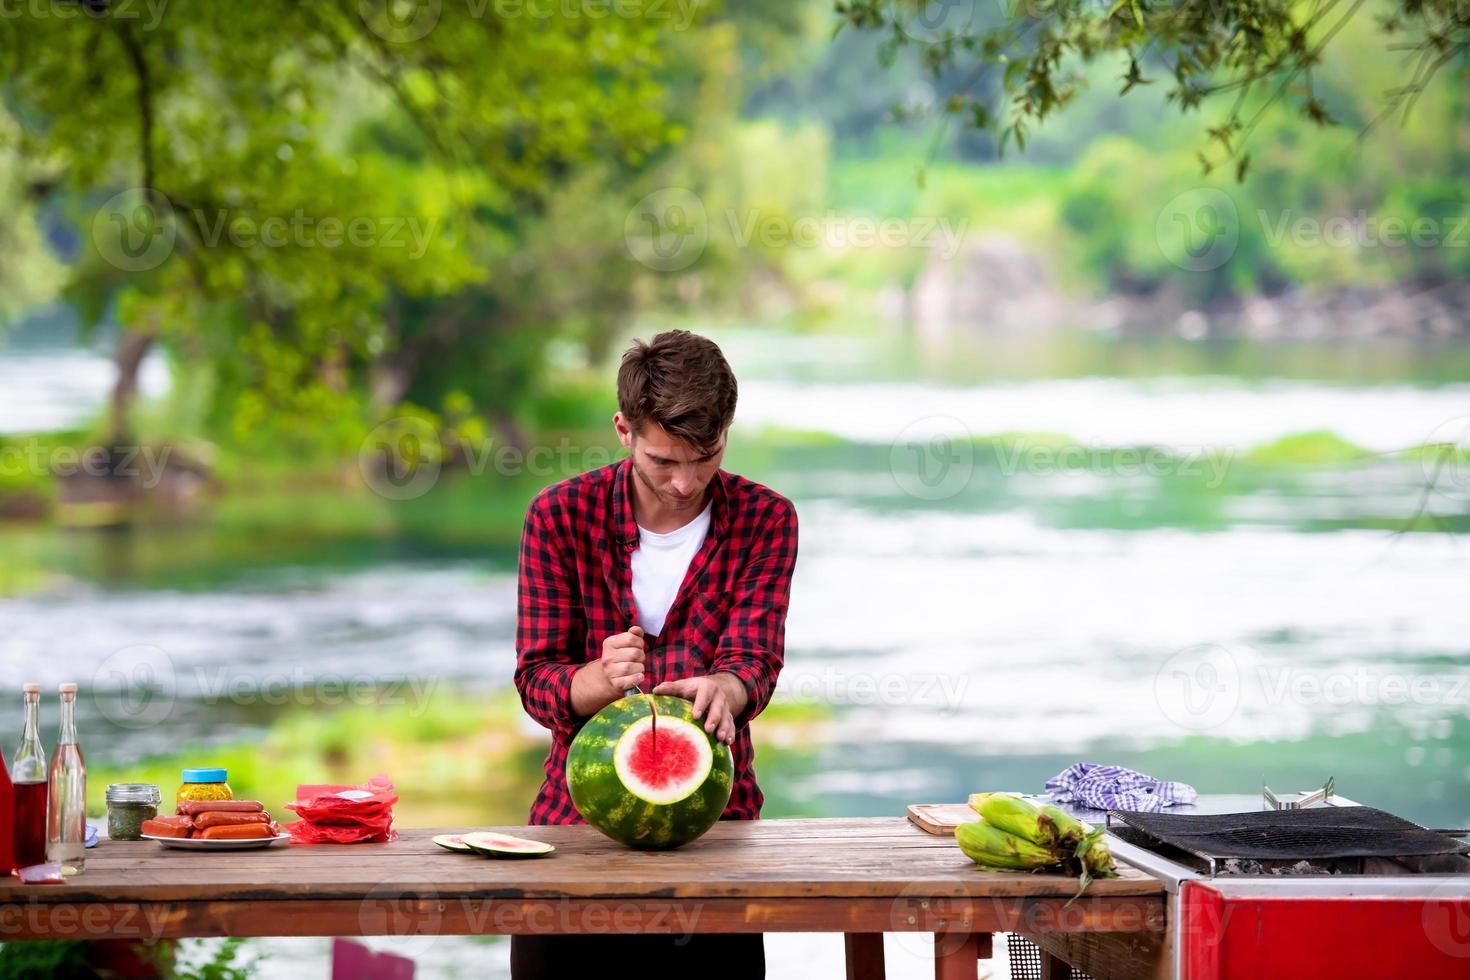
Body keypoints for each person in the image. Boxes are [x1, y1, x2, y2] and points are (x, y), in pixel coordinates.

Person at [511, 329, 798, 978]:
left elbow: (755, 659)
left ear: (726, 431)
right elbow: (536, 682)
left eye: (706, 457)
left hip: (716, 833)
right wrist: (595, 679)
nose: (684, 482)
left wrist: (728, 690)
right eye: (663, 461)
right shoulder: (559, 516)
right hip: (574, 830)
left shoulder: (767, 518)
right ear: (623, 430)